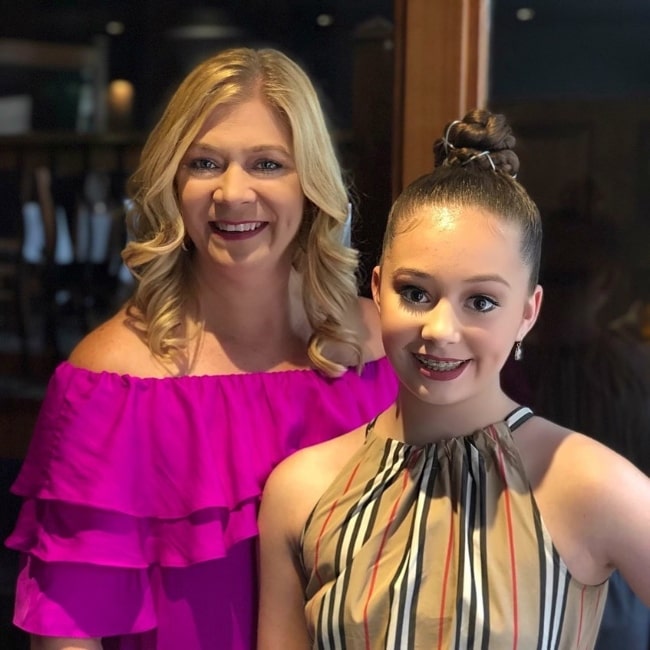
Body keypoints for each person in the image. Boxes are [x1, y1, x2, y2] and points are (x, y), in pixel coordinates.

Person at [5, 47, 398, 650]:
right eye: (205, 163)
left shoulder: (385, 351)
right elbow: (69, 634)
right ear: (172, 182)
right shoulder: (109, 383)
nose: (233, 193)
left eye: (268, 164)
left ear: (312, 182)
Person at [257, 109, 650, 649]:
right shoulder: (301, 490)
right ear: (376, 289)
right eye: (415, 293)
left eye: (481, 301)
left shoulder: (591, 485)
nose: (440, 330)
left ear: (528, 313)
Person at [514, 214, 650, 649]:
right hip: (525, 556)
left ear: (606, 283)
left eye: (569, 278)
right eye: (547, 277)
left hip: (621, 568)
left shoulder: (632, 370)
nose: (557, 296)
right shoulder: (507, 371)